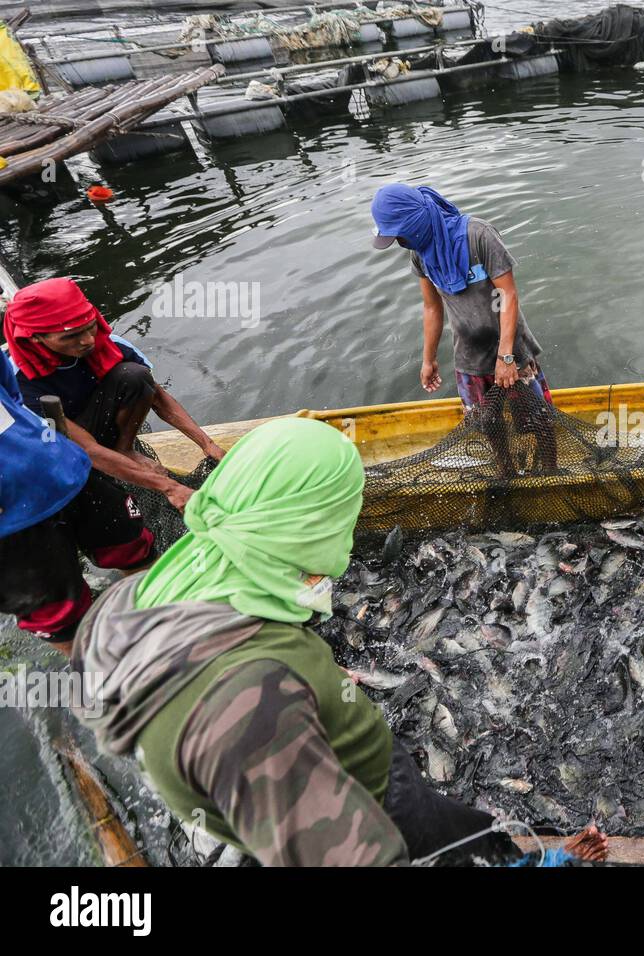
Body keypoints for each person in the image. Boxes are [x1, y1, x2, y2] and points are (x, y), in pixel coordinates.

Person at [69, 417, 608, 866]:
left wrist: (316, 686)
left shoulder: (172, 583)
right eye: (339, 515)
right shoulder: (248, 708)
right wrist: (280, 694)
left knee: (469, 831)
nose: (346, 535)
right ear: (303, 524)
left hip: (354, 780)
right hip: (377, 817)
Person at [371, 183, 556, 477]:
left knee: (538, 421)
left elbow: (508, 295)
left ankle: (550, 474)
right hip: (469, 357)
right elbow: (432, 307)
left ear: (414, 223)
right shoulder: (421, 254)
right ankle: (507, 475)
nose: (401, 243)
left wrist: (505, 357)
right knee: (488, 425)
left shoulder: (479, 236)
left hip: (511, 351)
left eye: (400, 236)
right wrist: (428, 359)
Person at [3, 277, 213, 507]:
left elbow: (158, 397)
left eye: (90, 327)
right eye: (71, 336)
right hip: (57, 448)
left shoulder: (109, 344)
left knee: (135, 376)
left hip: (94, 424)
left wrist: (207, 444)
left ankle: (124, 449)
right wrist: (169, 487)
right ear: (35, 338)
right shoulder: (20, 381)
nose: (88, 340)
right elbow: (88, 449)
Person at [0, 356, 158, 653]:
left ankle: (160, 616)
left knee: (129, 542)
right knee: (56, 612)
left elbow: (11, 391)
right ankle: (98, 673)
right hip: (13, 524)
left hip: (61, 471)